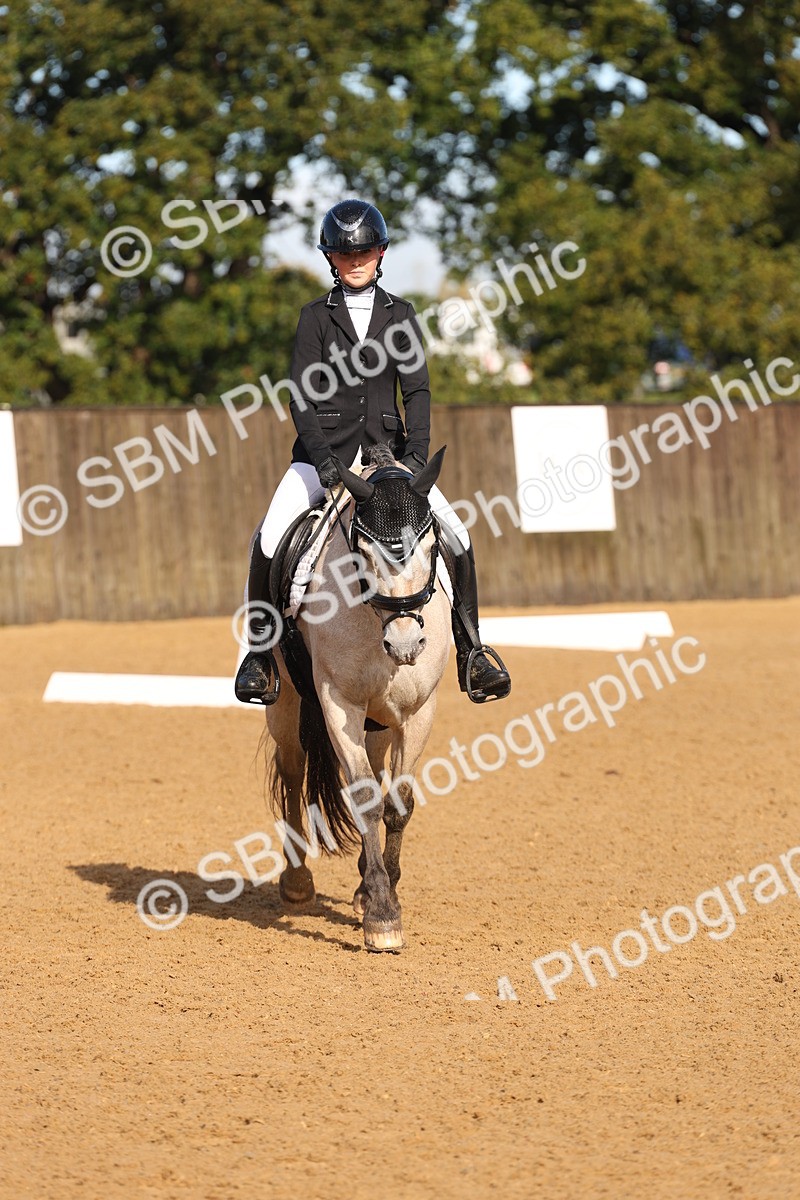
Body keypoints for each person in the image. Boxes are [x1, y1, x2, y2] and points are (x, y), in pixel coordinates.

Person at [234, 198, 511, 706]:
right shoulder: (315, 317)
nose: (355, 260)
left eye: (364, 251)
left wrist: (415, 457)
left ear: (381, 253)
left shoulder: (400, 314)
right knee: (270, 537)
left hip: (390, 461)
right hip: (323, 458)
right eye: (345, 253)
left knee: (459, 534)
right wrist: (323, 460)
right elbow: (301, 397)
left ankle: (472, 651)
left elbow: (418, 391)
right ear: (330, 258)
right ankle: (258, 656)